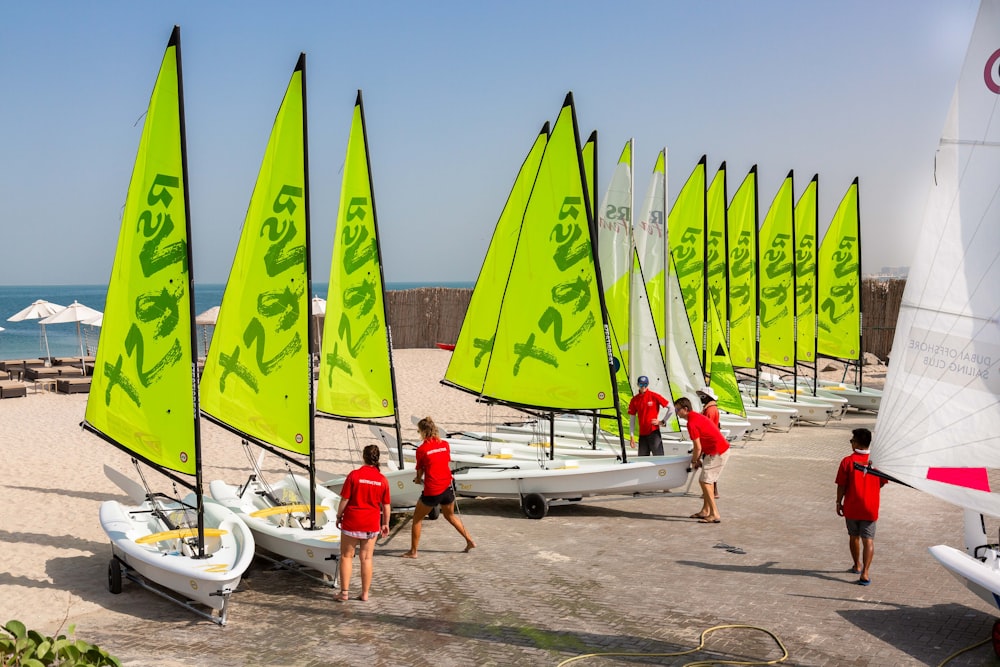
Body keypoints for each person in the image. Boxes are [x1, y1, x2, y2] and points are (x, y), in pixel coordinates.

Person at [402, 416, 476, 558]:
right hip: (447, 486)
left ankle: (413, 552)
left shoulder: (422, 449)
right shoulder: (445, 444)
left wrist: (417, 479)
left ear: (423, 432)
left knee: (417, 519)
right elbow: (442, 462)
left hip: (433, 490)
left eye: (419, 431)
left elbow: (420, 470)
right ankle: (469, 540)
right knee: (450, 516)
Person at [335, 444, 391, 602]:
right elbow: (386, 505)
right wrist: (385, 523)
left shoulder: (354, 475)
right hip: (371, 524)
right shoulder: (382, 480)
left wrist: (339, 516)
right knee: (366, 559)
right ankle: (365, 594)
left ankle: (344, 593)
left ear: (363, 457)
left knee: (347, 556)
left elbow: (345, 499)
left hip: (352, 521)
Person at [835, 427, 886, 586]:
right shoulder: (877, 462)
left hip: (852, 506)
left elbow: (841, 485)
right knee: (868, 540)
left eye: (852, 441)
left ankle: (857, 565)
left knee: (853, 536)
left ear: (856, 443)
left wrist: (839, 502)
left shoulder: (847, 461)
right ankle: (865, 572)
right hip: (870, 507)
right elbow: (882, 482)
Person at [675, 396, 729, 523]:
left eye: (678, 410)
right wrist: (698, 458)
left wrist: (694, 461)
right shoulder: (696, 417)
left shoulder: (691, 422)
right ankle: (705, 510)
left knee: (705, 482)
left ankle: (714, 514)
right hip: (714, 451)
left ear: (685, 409)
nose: (676, 413)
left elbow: (697, 447)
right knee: (704, 481)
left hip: (718, 451)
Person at [627, 375, 671, 456]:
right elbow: (632, 419)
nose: (643, 386)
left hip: (653, 432)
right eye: (641, 384)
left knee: (659, 458)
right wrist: (632, 436)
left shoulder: (654, 396)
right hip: (642, 434)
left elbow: (671, 408)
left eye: (645, 384)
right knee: (642, 460)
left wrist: (662, 421)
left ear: (648, 384)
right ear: (638, 384)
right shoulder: (634, 400)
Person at [696, 387, 721, 500]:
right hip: (711, 442)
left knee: (709, 469)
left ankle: (712, 492)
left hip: (710, 443)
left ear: (707, 397)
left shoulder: (710, 410)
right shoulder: (710, 408)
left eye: (702, 396)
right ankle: (713, 491)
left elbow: (708, 427)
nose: (700, 398)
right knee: (710, 468)